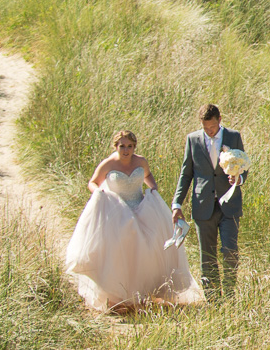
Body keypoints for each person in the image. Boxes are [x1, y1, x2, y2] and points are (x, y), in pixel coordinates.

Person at [65, 129, 204, 312]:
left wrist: (153, 188)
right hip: (117, 210)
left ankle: (147, 292)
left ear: (134, 147)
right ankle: (118, 296)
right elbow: (92, 182)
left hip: (141, 207)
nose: (126, 150)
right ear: (116, 147)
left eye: (130, 146)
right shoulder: (108, 164)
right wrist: (99, 192)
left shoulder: (141, 161)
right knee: (123, 247)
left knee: (150, 245)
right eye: (122, 146)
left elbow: (147, 176)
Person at [172, 103, 246, 291]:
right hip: (203, 205)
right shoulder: (193, 139)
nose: (209, 131)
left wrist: (238, 179)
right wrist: (177, 203)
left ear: (219, 121)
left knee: (230, 251)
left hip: (229, 205)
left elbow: (244, 166)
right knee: (207, 255)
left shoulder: (233, 137)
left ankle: (230, 293)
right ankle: (213, 299)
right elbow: (186, 173)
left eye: (212, 127)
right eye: (205, 128)